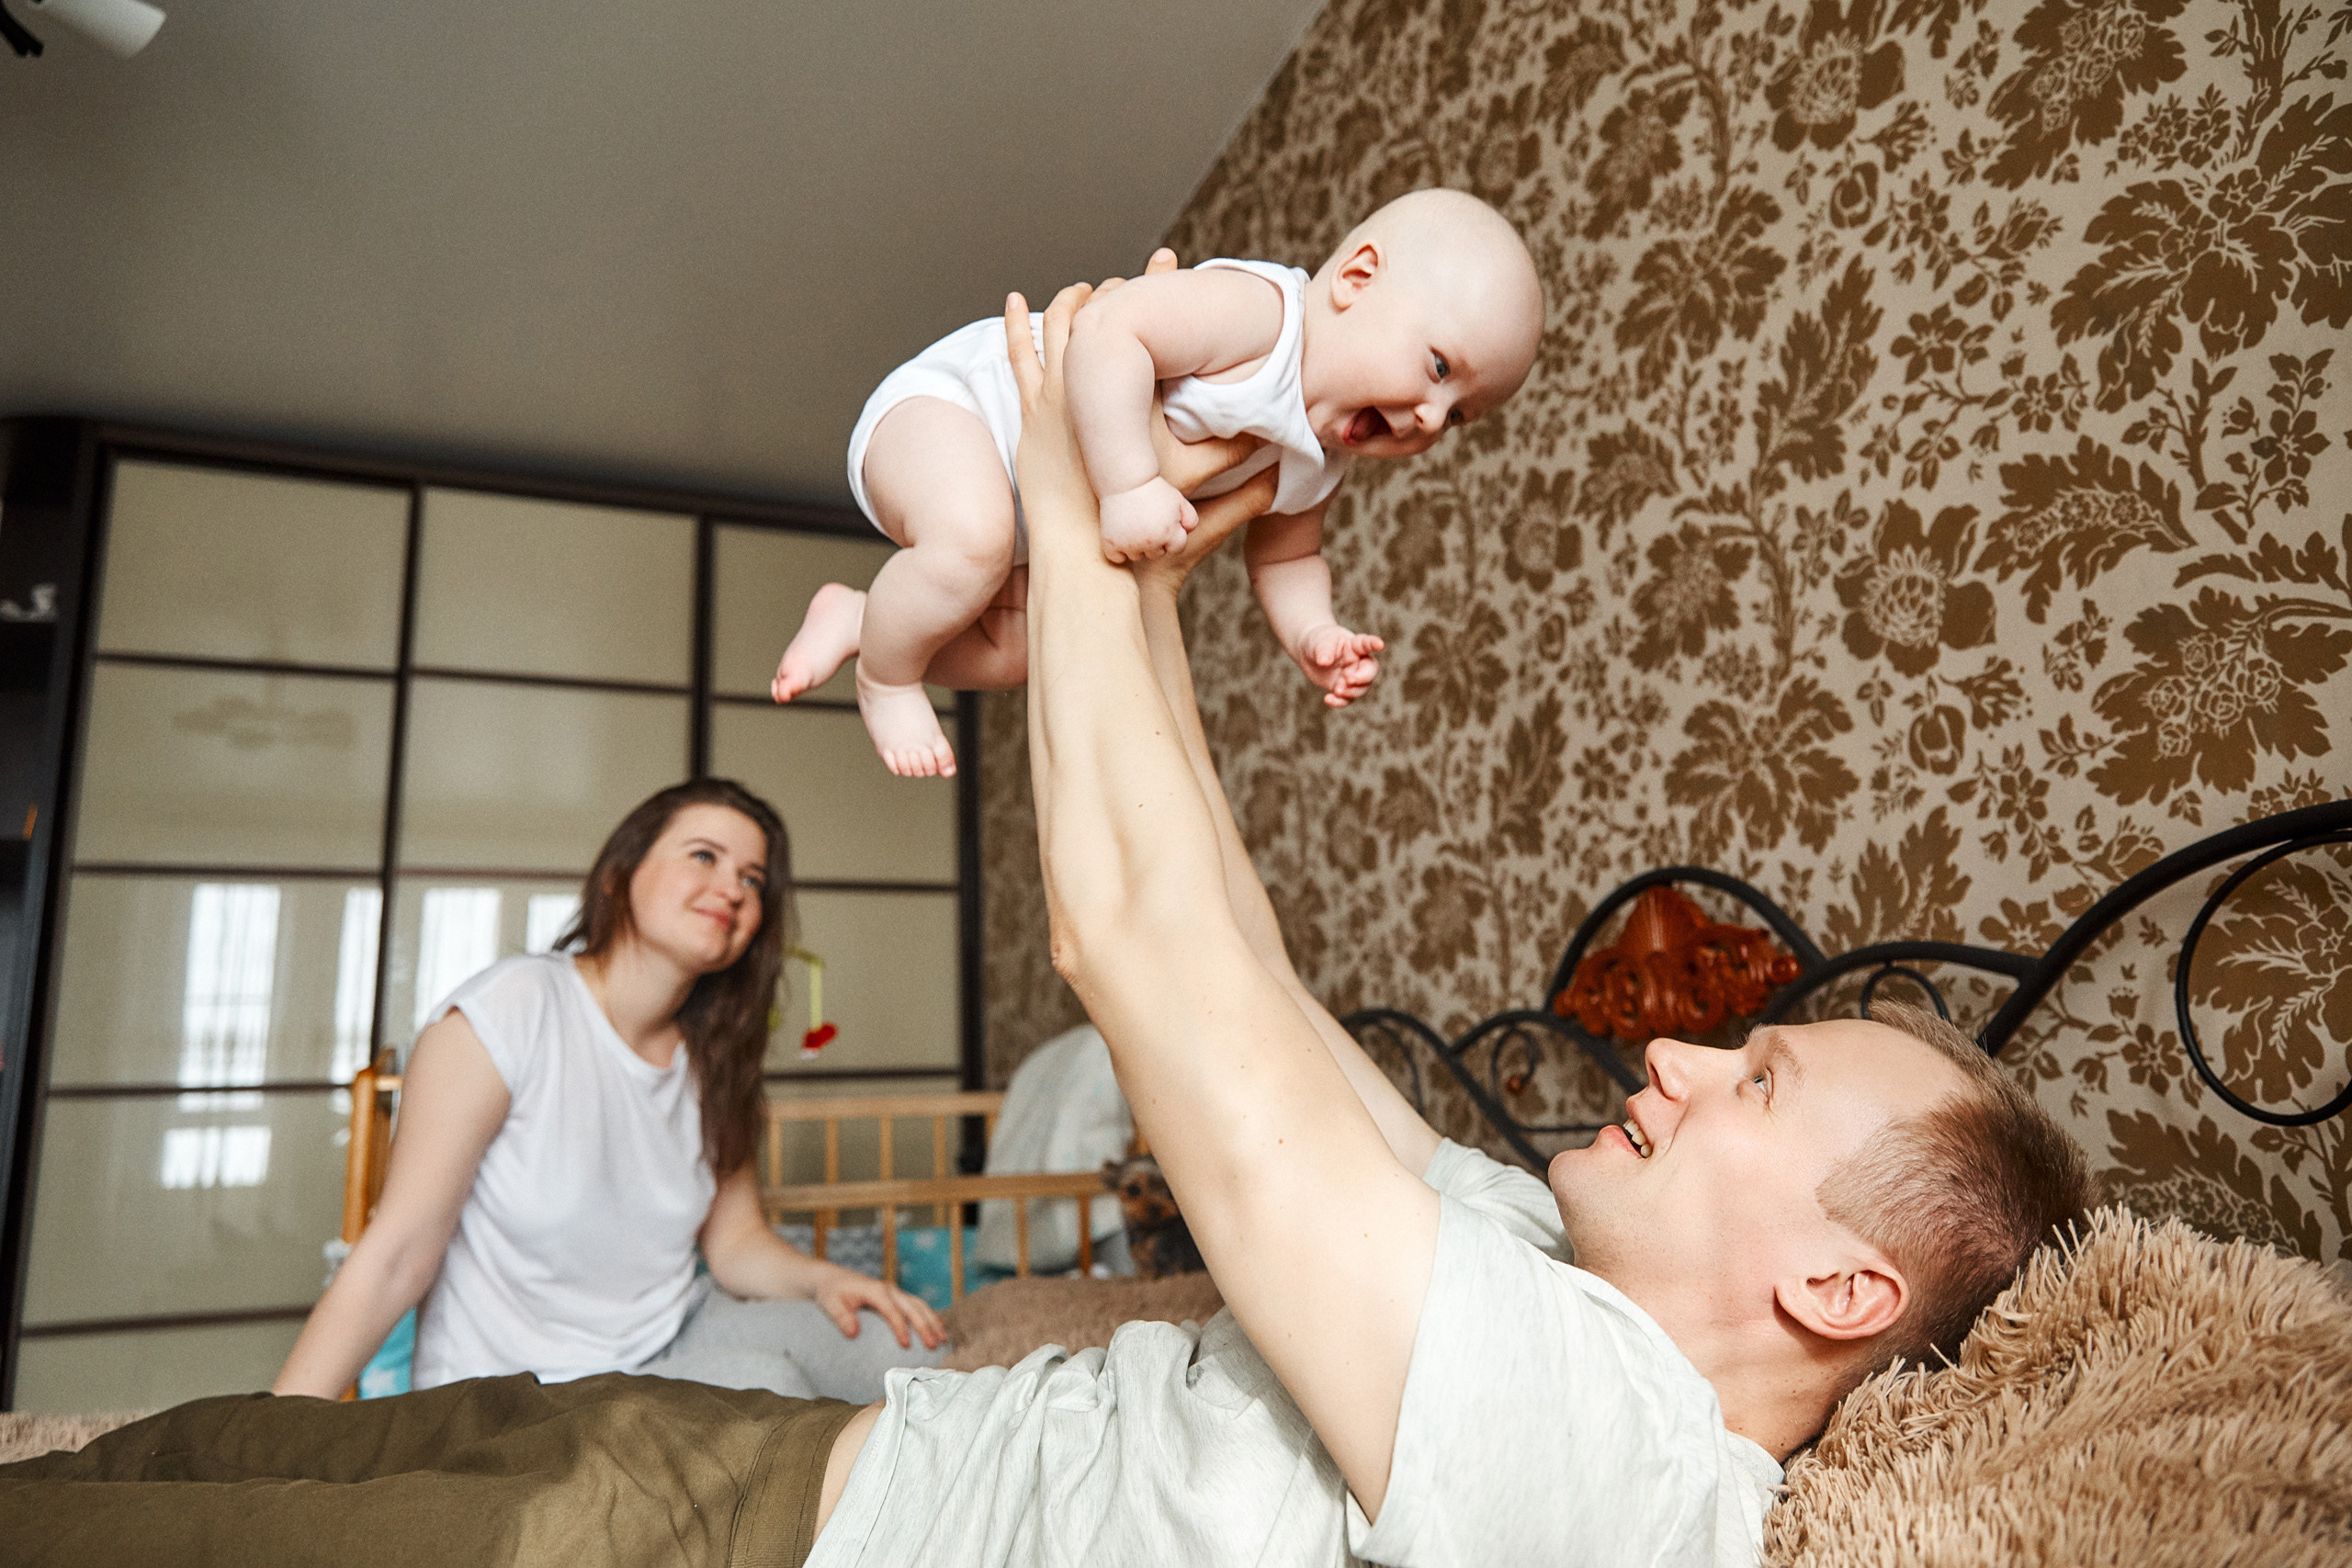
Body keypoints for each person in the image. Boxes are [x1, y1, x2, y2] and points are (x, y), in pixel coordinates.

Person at [0, 274, 2086, 1568]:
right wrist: (1146, 564)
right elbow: (1245, 976)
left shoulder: (1610, 1466)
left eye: (1760, 1075)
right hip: (778, 1443)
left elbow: (1142, 961)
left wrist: (1076, 416)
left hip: (731, 1533)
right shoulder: (1536, 1250)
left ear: (1833, 1275)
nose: (1679, 1049)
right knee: (202, 1447)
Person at [770, 186, 1545, 778]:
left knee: (1018, 645)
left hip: (1029, 517)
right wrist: (1130, 483)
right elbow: (1112, 331)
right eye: (1440, 368)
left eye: (1462, 415)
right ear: (1357, 276)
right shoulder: (1263, 318)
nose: (1432, 419)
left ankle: (865, 618)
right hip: (956, 410)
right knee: (974, 538)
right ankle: (885, 676)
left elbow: (1284, 559)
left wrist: (1315, 633)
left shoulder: (1316, 459)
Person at [271, 778, 944, 1407]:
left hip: (674, 1331)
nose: (732, 889)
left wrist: (825, 1279)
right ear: (622, 876)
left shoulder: (716, 1056)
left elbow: (736, 1242)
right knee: (773, 1390)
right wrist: (266, 1438)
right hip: (533, 1384)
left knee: (909, 1354)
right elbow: (394, 1255)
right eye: (704, 856)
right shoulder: (508, 1010)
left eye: (752, 878)